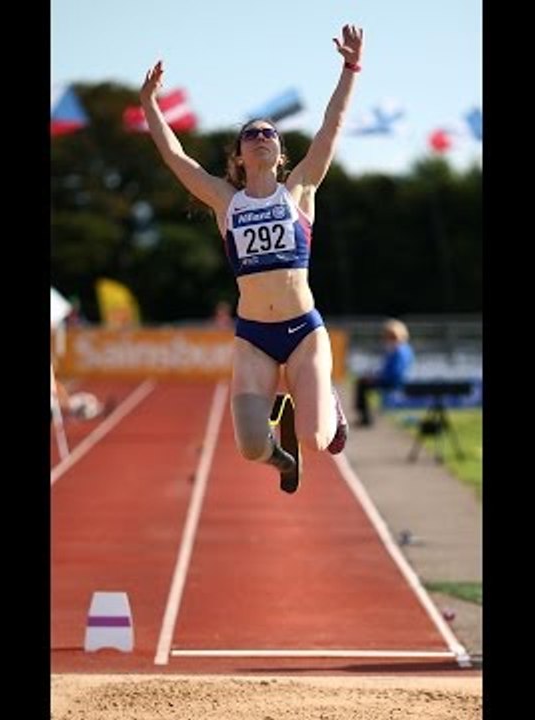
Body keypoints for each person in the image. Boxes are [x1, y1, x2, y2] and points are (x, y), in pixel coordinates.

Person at [139, 24, 363, 494]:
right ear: (239, 156)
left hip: (303, 330)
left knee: (317, 438)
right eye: (251, 134)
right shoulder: (225, 201)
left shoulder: (300, 188)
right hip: (254, 337)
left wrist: (350, 67)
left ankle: (327, 408)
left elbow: (331, 127)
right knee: (249, 447)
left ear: (280, 154)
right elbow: (175, 157)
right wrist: (149, 104)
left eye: (270, 134)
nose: (261, 136)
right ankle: (283, 461)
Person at [354, 318, 415, 427]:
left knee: (362, 384)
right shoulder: (402, 348)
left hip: (393, 381)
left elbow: (394, 372)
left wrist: (376, 377)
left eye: (389, 336)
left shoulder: (398, 350)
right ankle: (364, 416)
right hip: (392, 379)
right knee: (363, 381)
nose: (386, 339)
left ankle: (365, 418)